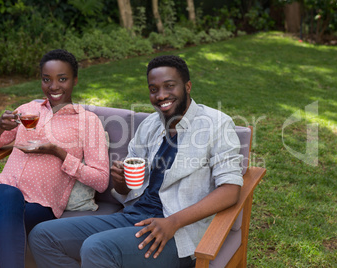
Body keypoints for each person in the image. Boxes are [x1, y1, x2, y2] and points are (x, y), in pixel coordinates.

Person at [29, 55, 243, 268]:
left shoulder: (217, 124)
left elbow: (230, 189)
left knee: (96, 247)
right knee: (43, 235)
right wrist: (120, 181)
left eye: (169, 86)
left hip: (177, 233)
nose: (161, 95)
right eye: (153, 89)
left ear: (187, 86)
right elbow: (130, 188)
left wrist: (173, 222)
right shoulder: (150, 125)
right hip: (134, 217)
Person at [0, 49, 109, 268]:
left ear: (75, 80)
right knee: (10, 195)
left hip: (40, 206)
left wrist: (58, 152)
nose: (53, 86)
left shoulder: (88, 121)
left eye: (62, 79)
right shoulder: (27, 110)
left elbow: (101, 180)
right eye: (46, 79)